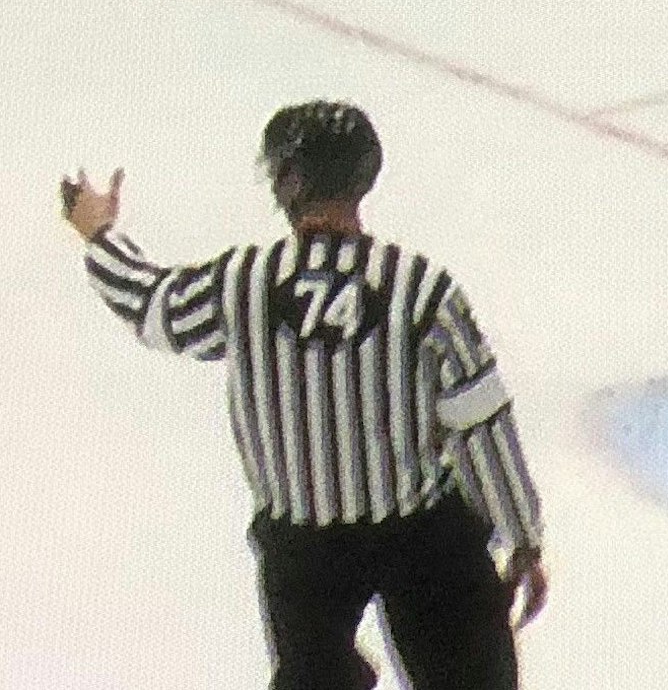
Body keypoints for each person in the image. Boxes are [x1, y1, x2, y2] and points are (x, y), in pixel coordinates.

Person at [62, 100, 547, 690]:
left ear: (288, 182)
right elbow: (480, 420)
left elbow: (154, 308)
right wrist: (521, 536)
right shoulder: (420, 288)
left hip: (303, 550)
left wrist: (100, 233)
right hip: (420, 537)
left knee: (313, 673)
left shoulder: (245, 282)